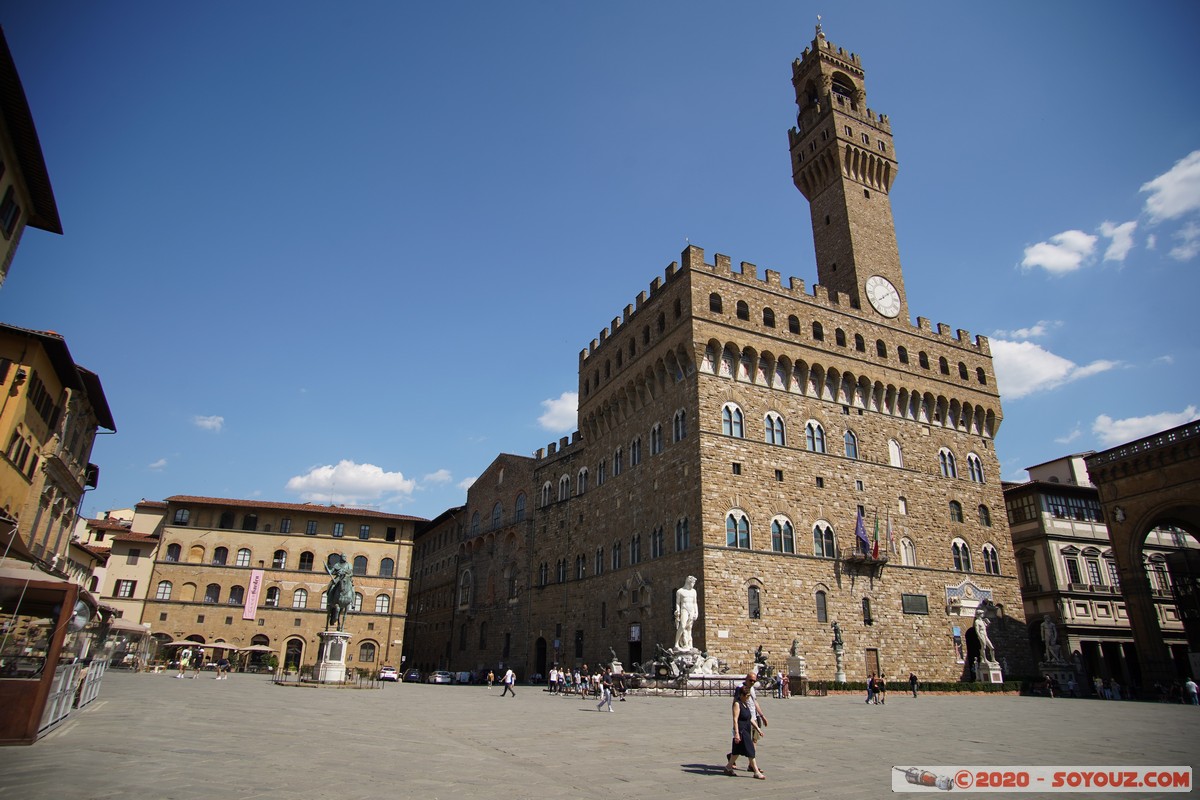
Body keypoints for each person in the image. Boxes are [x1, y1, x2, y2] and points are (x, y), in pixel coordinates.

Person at [726, 672, 768, 774]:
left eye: (754, 681)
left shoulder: (752, 688)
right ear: (746, 679)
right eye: (751, 680)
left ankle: (747, 764)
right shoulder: (740, 688)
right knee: (747, 744)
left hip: (753, 717)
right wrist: (736, 724)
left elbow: (754, 702)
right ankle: (754, 768)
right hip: (744, 720)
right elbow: (735, 703)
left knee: (754, 741)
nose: (753, 682)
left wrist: (762, 716)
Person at [674, 576, 699, 650]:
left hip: (691, 610)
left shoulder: (694, 591)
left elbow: (695, 603)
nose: (693, 584)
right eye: (693, 583)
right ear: (688, 582)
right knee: (682, 626)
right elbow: (678, 603)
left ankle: (689, 644)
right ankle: (676, 643)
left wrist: (696, 612)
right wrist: (677, 610)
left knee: (689, 628)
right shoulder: (680, 591)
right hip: (684, 609)